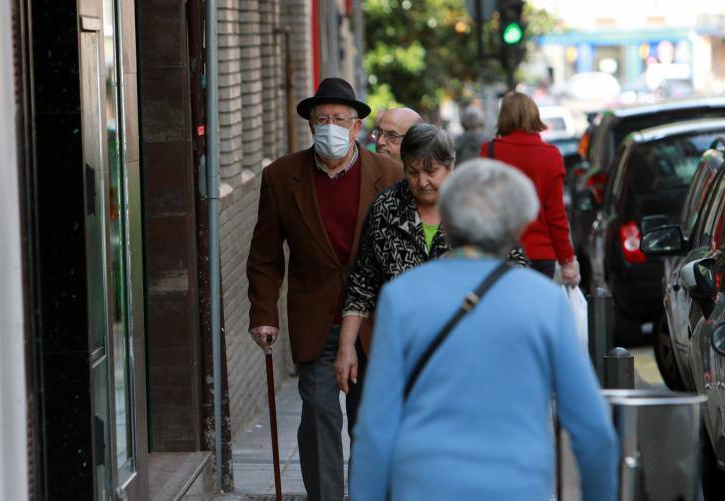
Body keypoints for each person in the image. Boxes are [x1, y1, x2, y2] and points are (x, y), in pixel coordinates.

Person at [349, 159, 619, 501]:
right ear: (517, 226)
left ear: (448, 220)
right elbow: (593, 430)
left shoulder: (401, 298)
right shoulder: (544, 301)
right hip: (517, 485)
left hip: (424, 484)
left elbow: (375, 428)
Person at [246, 77, 402, 501]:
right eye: (322, 119)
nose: (330, 126)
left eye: (339, 118)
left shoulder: (389, 175)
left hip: (373, 321)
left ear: (355, 127)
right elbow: (264, 254)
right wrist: (263, 314)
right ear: (311, 126)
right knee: (318, 415)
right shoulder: (281, 177)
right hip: (315, 318)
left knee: (367, 422)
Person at [335, 123, 454, 393]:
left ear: (451, 165)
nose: (422, 181)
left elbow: (512, 269)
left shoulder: (475, 206)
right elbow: (362, 282)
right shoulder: (386, 208)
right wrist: (345, 350)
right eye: (412, 172)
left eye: (431, 171)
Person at [481, 91, 580, 285]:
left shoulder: (490, 152)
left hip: (500, 253)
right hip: (541, 255)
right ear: (534, 115)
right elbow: (556, 216)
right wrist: (567, 259)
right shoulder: (551, 156)